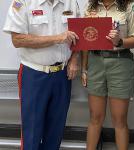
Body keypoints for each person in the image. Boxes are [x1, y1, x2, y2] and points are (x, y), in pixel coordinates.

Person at [3, 0, 80, 150]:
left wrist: (74, 59)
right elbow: (17, 39)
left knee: (55, 132)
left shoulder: (70, 2)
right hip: (34, 75)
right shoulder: (22, 2)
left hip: (62, 76)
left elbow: (78, 35)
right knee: (32, 132)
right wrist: (57, 38)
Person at [81, 0, 134, 150]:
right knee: (95, 117)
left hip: (120, 63)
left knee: (120, 120)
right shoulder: (90, 6)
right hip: (95, 62)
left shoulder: (129, 5)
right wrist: (84, 69)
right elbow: (85, 41)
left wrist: (120, 41)